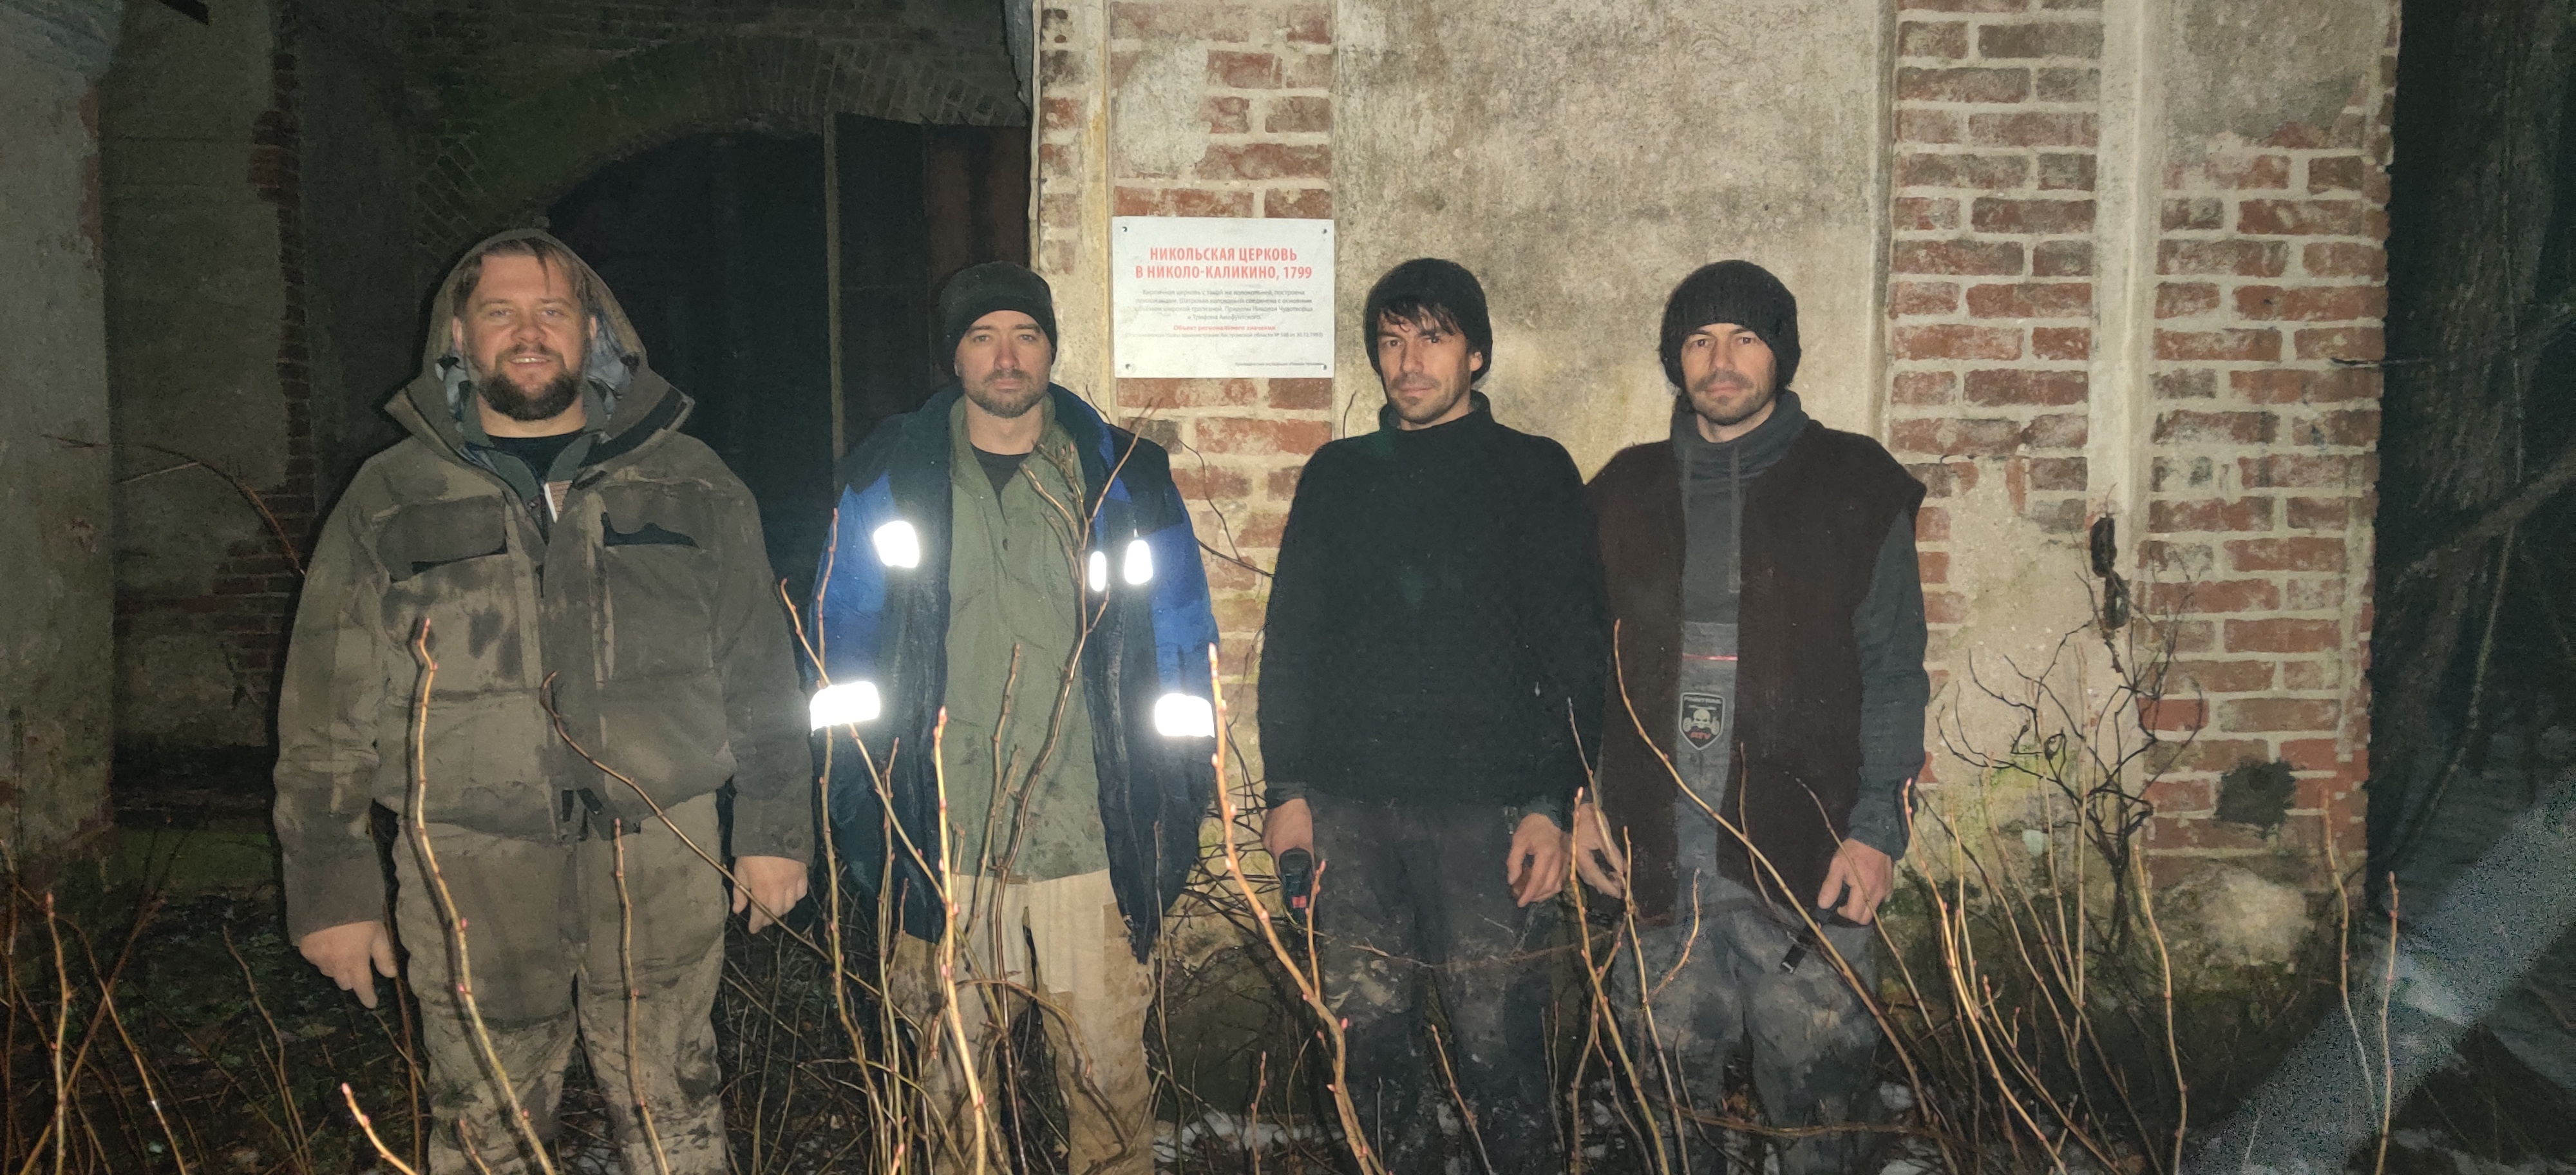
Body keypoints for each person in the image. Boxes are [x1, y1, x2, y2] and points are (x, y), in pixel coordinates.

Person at [275, 230, 813, 1174]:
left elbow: (761, 670)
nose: (529, 333)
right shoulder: (392, 495)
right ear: (459, 336)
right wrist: (330, 888)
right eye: (501, 313)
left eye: (552, 311)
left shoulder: (691, 479)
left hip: (663, 850)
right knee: (487, 1118)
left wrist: (775, 829)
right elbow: (325, 708)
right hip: (467, 868)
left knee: (675, 1103)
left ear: (593, 331)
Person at [809, 262, 1219, 1174]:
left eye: (1026, 335)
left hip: (1090, 842)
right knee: (951, 1093)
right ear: (954, 357)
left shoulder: (1125, 481)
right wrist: (865, 816)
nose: (1006, 356)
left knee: (1109, 1085)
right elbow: (840, 652)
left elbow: (1181, 649)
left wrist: (1175, 803)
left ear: (1050, 351)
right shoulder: (888, 478)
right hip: (944, 843)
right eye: (983, 337)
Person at [1575, 260, 1928, 1172]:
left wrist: (1877, 831)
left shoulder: (1856, 485)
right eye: (1699, 341)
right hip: (1658, 864)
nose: (1720, 361)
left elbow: (1894, 673)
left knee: (1818, 1121)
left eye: (1744, 338)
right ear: (1676, 359)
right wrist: (1579, 802)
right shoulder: (1621, 492)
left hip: (1806, 862)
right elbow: (1578, 671)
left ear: (1782, 354)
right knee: (1663, 1126)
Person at [1258, 258, 1607, 1172]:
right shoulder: (1338, 475)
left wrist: (1551, 801)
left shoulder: (1534, 472)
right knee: (1367, 1054)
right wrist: (1287, 792)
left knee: (1505, 1058)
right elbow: (1291, 641)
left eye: (1433, 338)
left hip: (1487, 815)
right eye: (1391, 340)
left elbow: (1573, 652)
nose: (1409, 362)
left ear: (1476, 354)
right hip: (1350, 814)